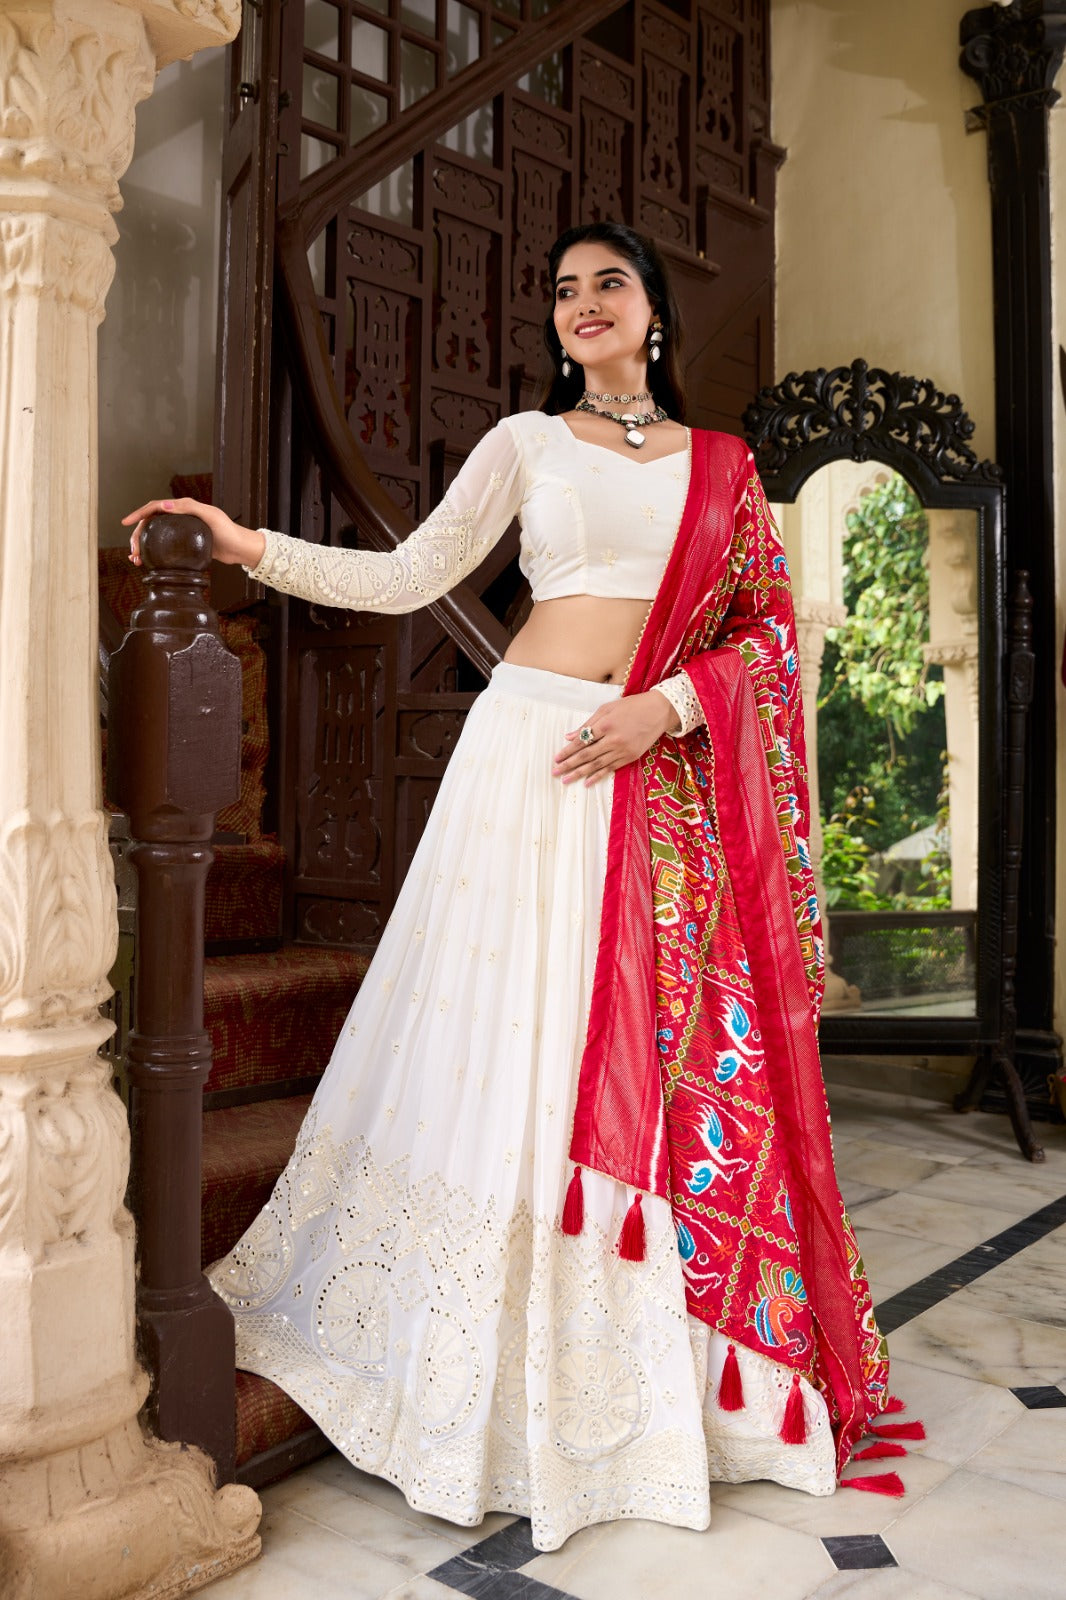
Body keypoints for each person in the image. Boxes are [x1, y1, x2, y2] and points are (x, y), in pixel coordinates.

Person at [124, 222, 896, 1552]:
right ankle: (468, 1369)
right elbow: (407, 576)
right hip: (527, 759)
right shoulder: (524, 445)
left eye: (609, 284)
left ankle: (632, 1376)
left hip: (647, 775)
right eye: (563, 290)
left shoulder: (725, 468)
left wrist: (664, 708)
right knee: (511, 1056)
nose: (582, 304)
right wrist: (249, 546)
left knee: (633, 1062)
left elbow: (769, 639)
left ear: (653, 311)